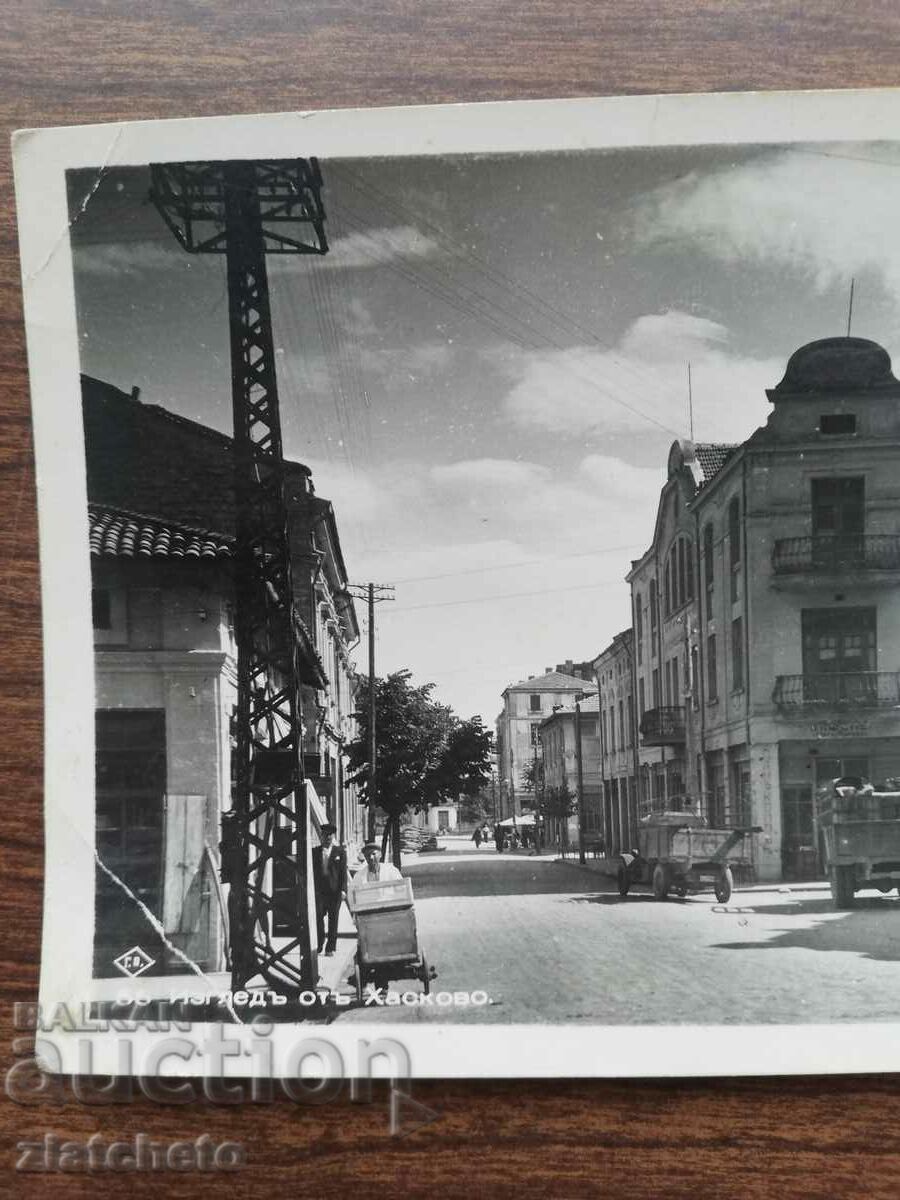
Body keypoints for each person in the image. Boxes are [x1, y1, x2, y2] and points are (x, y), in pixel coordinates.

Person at [311, 823, 347, 957]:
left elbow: (343, 872)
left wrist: (344, 890)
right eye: (325, 835)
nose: (327, 838)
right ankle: (320, 942)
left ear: (333, 837)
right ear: (321, 836)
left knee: (333, 918)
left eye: (330, 835)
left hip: (335, 891)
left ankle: (330, 947)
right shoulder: (315, 852)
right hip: (320, 891)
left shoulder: (340, 852)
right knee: (318, 917)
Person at [348, 841, 403, 912]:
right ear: (365, 857)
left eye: (374, 854)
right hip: (369, 914)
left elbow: (402, 889)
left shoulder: (391, 870)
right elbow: (351, 895)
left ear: (380, 854)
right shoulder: (359, 875)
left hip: (389, 911)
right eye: (367, 855)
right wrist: (357, 912)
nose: (371, 857)